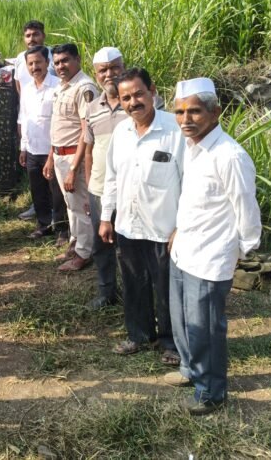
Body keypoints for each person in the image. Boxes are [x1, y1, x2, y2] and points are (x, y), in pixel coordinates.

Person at [165, 77, 261, 415]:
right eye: (179, 112)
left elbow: (247, 211)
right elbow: (194, 200)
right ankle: (190, 369)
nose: (185, 119)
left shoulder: (229, 155)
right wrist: (178, 231)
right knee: (182, 322)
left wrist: (237, 253)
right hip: (184, 250)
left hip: (210, 257)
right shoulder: (192, 147)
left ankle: (210, 392)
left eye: (194, 111)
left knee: (205, 328)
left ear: (215, 111)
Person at [99, 68, 184, 364]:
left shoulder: (175, 130)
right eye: (126, 98)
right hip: (128, 226)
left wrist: (182, 226)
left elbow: (190, 181)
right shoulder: (121, 132)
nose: (133, 102)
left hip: (164, 228)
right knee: (134, 283)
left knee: (167, 289)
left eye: (138, 94)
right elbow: (111, 177)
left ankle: (171, 343)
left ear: (152, 91)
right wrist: (106, 218)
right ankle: (139, 335)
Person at [44, 43, 97, 272]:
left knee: (81, 207)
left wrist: (74, 168)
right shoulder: (62, 87)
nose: (60, 66)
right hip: (60, 155)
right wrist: (50, 157)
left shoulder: (84, 88)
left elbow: (86, 132)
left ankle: (84, 253)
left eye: (65, 60)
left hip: (74, 157)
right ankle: (75, 244)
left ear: (77, 59)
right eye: (56, 62)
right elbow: (60, 127)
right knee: (70, 205)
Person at [83, 47, 126, 309]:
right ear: (96, 74)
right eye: (103, 70)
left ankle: (134, 296)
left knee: (128, 248)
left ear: (123, 67)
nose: (109, 74)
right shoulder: (92, 108)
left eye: (114, 67)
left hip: (129, 190)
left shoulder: (136, 103)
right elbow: (89, 151)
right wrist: (89, 188)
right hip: (99, 189)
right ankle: (106, 292)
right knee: (101, 245)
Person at [18, 45, 67, 243]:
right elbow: (25, 118)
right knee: (38, 191)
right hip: (32, 149)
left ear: (47, 62)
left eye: (38, 62)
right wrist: (23, 147)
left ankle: (63, 229)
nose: (34, 67)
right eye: (30, 64)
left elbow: (60, 123)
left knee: (57, 192)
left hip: (52, 149)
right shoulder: (27, 89)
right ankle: (44, 225)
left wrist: (52, 154)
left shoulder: (58, 87)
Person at [14, 20, 56, 222]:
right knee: (35, 173)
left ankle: (59, 219)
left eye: (36, 34)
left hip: (51, 125)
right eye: (28, 35)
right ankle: (40, 212)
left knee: (52, 175)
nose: (32, 39)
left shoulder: (54, 59)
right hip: (30, 117)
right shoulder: (20, 60)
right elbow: (19, 88)